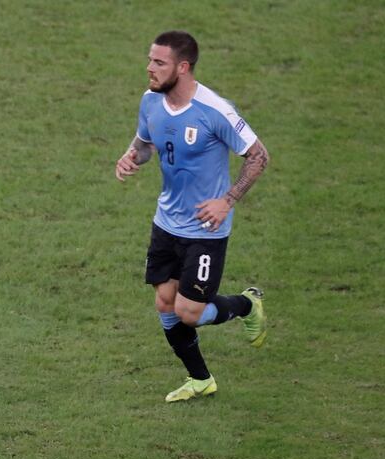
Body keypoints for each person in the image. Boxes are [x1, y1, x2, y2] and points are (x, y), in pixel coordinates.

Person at [115, 31, 270, 402]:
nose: (149, 68)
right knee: (165, 304)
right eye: (150, 60)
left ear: (182, 67)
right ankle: (200, 379)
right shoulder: (150, 102)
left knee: (189, 311)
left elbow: (259, 155)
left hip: (206, 229)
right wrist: (131, 156)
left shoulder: (214, 110)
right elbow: (146, 142)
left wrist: (227, 200)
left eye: (159, 62)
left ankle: (247, 304)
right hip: (166, 222)